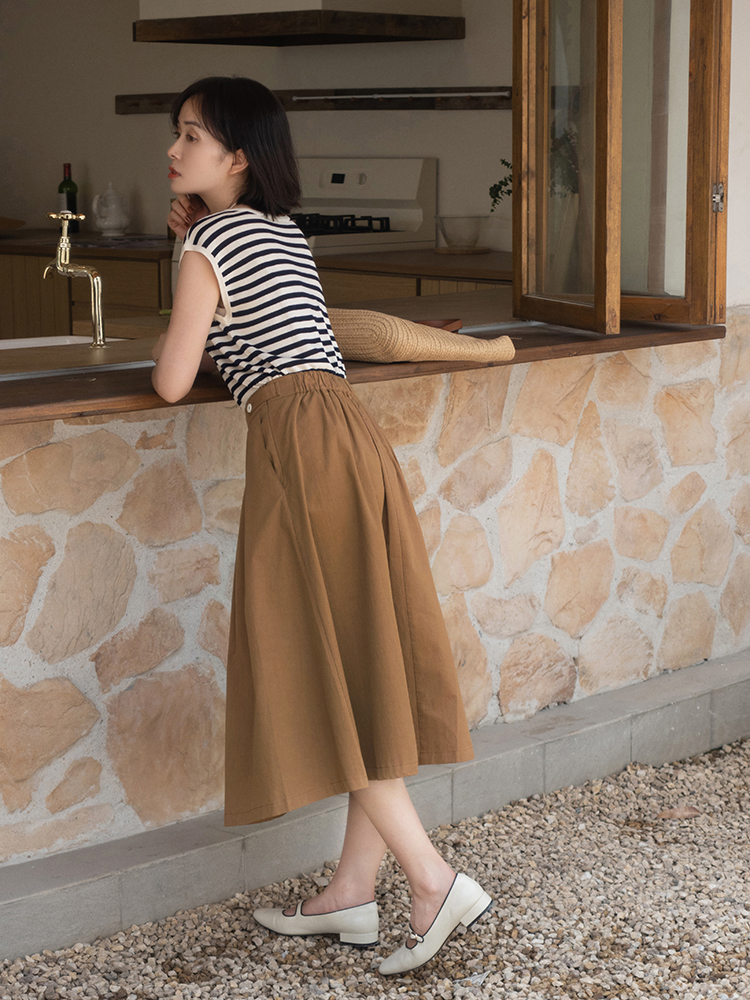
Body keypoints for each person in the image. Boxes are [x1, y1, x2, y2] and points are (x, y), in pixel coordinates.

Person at [151, 75, 492, 976]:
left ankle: (432, 881)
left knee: (324, 660)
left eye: (192, 136)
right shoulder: (283, 233)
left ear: (237, 156)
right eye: (177, 133)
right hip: (349, 435)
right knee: (361, 659)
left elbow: (173, 380)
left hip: (298, 448)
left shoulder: (209, 244)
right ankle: (350, 891)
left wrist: (183, 269)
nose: (174, 151)